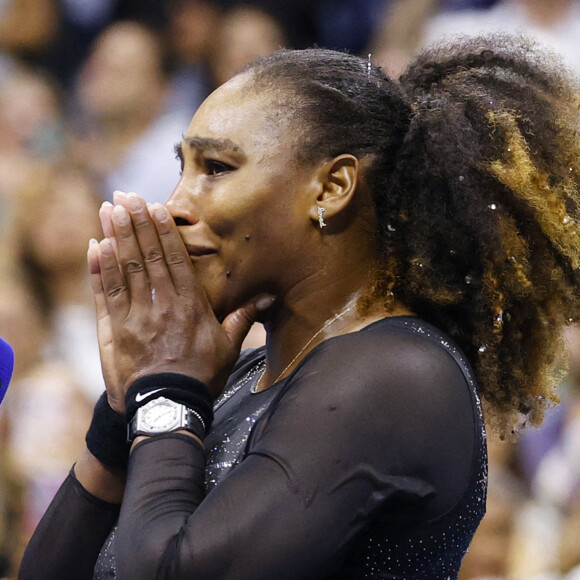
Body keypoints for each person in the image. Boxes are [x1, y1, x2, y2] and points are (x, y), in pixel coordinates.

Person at [19, 34, 580, 579]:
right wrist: (123, 410)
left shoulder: (395, 377)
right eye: (181, 169)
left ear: (332, 187)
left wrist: (166, 391)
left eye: (216, 168)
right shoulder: (237, 376)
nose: (175, 206)